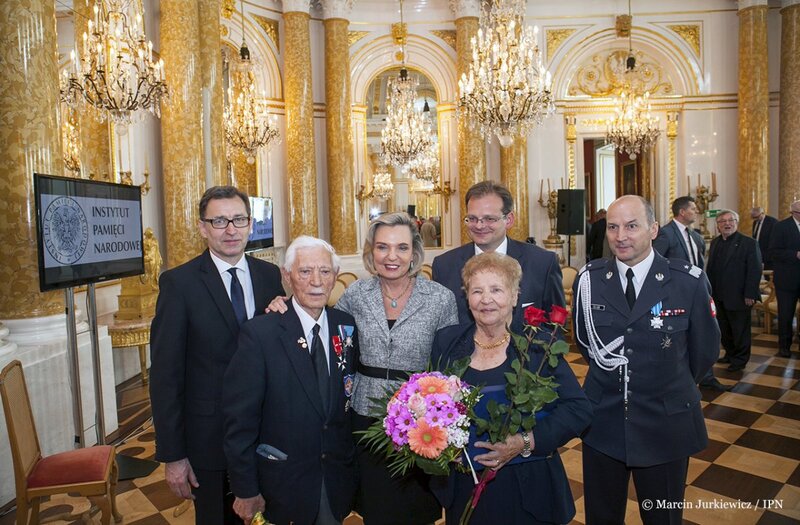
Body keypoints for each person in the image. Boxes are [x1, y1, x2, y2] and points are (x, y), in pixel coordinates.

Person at [268, 212, 458, 524]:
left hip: (420, 421)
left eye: (402, 248)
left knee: (416, 507)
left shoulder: (440, 298)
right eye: (382, 247)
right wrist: (285, 304)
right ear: (371, 252)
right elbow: (322, 329)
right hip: (363, 418)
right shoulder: (356, 295)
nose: (392, 256)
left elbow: (450, 364)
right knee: (374, 506)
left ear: (415, 252)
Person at [573, 195, 720, 525]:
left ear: (653, 230)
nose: (620, 236)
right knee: (602, 516)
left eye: (631, 226)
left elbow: (704, 352)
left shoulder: (687, 281)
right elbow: (587, 345)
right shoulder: (589, 281)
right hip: (603, 421)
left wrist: (664, 383)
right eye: (612, 227)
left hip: (665, 423)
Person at [149, 186, 284, 525]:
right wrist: (174, 456)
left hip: (266, 433)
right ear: (202, 227)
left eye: (238, 219)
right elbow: (165, 377)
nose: (230, 229)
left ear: (250, 224)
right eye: (219, 220)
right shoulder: (178, 284)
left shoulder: (270, 277)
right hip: (208, 441)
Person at [430, 253, 591, 524]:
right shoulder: (447, 342)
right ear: (466, 297)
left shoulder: (539, 345)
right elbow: (432, 405)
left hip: (528, 491)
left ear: (515, 296)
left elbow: (578, 410)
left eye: (496, 289)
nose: (486, 299)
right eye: (476, 290)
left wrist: (523, 442)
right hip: (464, 489)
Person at [223, 236, 358, 525]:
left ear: (335, 277)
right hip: (282, 484)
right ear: (287, 276)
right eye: (305, 271)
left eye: (324, 271)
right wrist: (245, 489)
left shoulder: (345, 325)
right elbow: (239, 420)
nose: (316, 281)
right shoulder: (260, 334)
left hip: (334, 480)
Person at [432, 181, 564, 327]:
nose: (479, 226)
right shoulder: (444, 266)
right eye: (472, 218)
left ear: (509, 220)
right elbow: (440, 328)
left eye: (489, 219)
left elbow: (555, 328)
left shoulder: (542, 263)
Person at [653, 195, 728, 391]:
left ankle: (705, 375)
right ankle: (681, 376)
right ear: (682, 212)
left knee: (703, 332)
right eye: (693, 209)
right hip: (675, 293)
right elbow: (656, 264)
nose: (697, 212)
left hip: (698, 292)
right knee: (680, 337)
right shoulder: (665, 234)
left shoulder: (696, 236)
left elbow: (699, 265)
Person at [707, 210, 762, 371]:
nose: (727, 224)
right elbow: (711, 270)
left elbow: (755, 270)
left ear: (736, 223)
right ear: (717, 225)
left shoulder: (749, 243)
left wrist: (750, 294)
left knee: (740, 331)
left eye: (730, 220)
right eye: (722, 221)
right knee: (724, 329)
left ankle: (740, 360)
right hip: (718, 295)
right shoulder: (716, 242)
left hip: (740, 296)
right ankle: (730, 354)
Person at [768, 200, 800, 358]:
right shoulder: (781, 227)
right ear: (793, 212)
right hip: (787, 280)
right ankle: (784, 347)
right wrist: (795, 254)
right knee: (786, 315)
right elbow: (773, 252)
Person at [750, 206, 777, 271]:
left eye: (756, 217)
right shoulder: (755, 222)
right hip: (757, 251)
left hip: (768, 254)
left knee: (768, 275)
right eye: (753, 217)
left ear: (762, 213)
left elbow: (774, 240)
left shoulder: (773, 222)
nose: (754, 219)